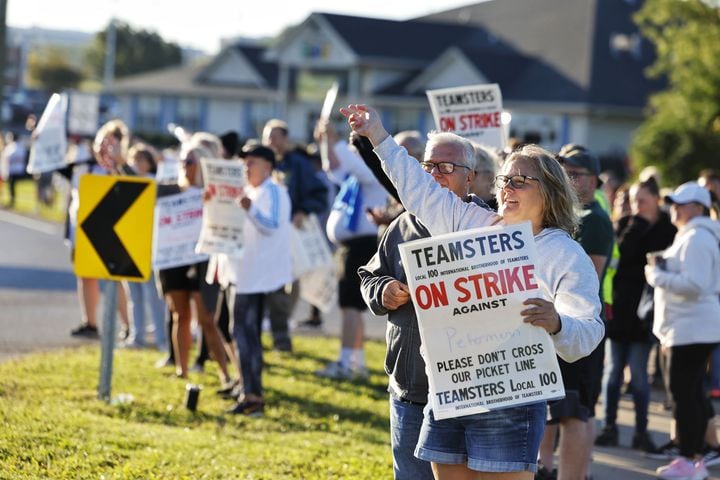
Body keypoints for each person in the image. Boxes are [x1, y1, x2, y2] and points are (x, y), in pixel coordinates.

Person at [341, 104, 604, 479]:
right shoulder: (472, 223)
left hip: (511, 399)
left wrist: (558, 323)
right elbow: (417, 190)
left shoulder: (562, 252)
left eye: (519, 181)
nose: (506, 188)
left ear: (548, 191)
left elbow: (588, 333)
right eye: (503, 181)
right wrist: (378, 136)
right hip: (450, 390)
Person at [358, 131, 489, 480]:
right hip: (411, 390)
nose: (434, 173)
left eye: (446, 166)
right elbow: (370, 276)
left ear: (470, 177)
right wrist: (383, 290)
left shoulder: (491, 228)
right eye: (428, 165)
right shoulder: (402, 225)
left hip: (472, 393)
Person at [537, 144, 614, 480]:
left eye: (576, 174)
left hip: (576, 324)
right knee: (557, 407)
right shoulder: (566, 216)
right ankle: (548, 469)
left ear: (595, 180)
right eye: (563, 171)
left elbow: (590, 279)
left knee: (575, 410)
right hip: (557, 324)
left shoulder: (593, 219)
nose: (568, 179)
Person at [594, 177, 676, 452]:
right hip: (620, 307)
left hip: (647, 311)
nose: (637, 206)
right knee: (613, 372)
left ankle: (642, 432)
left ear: (655, 200)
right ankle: (609, 427)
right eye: (633, 201)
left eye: (642, 200)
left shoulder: (669, 229)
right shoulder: (625, 225)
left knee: (639, 375)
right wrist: (635, 225)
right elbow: (623, 255)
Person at [645, 181, 720, 480]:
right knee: (690, 393)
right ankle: (694, 457)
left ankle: (690, 458)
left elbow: (696, 284)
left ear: (698, 208)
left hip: (691, 327)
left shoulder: (698, 237)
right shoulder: (693, 236)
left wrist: (656, 275)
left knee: (683, 394)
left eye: (680, 203)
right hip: (689, 326)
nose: (674, 208)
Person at [220, 143, 292, 416]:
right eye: (244, 162)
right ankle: (247, 389)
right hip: (242, 274)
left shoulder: (274, 191)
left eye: (251, 162)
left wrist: (250, 209)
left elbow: (272, 226)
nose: (245, 167)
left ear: (267, 166)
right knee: (241, 334)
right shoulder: (251, 191)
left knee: (247, 335)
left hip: (256, 277)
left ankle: (253, 396)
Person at [313, 120, 387, 380]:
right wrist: (326, 142)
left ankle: (347, 363)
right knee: (351, 307)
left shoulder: (372, 172)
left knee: (351, 307)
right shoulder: (357, 178)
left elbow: (348, 162)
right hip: (352, 246)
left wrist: (333, 140)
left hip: (361, 246)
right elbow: (332, 167)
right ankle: (358, 363)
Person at [157, 140, 233, 388]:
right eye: (181, 161)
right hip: (174, 260)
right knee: (180, 315)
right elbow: (139, 188)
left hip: (202, 261)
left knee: (207, 319)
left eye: (189, 161)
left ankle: (225, 373)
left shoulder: (213, 193)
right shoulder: (169, 191)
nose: (183, 166)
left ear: (201, 165)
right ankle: (182, 370)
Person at [262, 119, 329, 351]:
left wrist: (302, 210)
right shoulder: (260, 164)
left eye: (275, 136)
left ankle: (281, 337)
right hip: (263, 236)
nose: (271, 141)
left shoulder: (297, 164)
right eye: (267, 136)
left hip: (290, 237)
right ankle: (268, 333)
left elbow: (319, 194)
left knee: (286, 285)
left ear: (285, 139)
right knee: (266, 287)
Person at [123, 143, 168, 350]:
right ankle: (137, 335)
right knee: (134, 295)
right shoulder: (126, 181)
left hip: (149, 247)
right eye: (134, 159)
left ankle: (161, 339)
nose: (137, 164)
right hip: (130, 244)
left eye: (141, 159)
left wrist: (120, 163)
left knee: (153, 296)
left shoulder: (152, 183)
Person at [1, 132, 28, 208]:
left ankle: (12, 201)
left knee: (11, 186)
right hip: (17, 169)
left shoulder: (12, 147)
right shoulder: (20, 147)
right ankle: (10, 200)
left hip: (13, 170)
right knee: (10, 186)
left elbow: (6, 156)